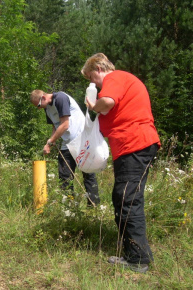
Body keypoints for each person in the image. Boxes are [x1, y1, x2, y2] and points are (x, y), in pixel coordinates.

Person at [81, 53, 161, 273]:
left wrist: (93, 105)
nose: (93, 83)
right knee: (124, 197)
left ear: (98, 68)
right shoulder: (123, 80)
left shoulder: (114, 78)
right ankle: (134, 253)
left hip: (133, 143)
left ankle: (138, 259)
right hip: (134, 145)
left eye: (91, 77)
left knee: (127, 198)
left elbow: (107, 101)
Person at [30, 90, 100, 207]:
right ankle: (69, 208)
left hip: (81, 140)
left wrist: (50, 142)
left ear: (43, 98)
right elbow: (55, 126)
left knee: (88, 174)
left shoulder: (60, 98)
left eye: (38, 105)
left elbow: (65, 124)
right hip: (66, 143)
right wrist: (52, 141)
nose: (38, 108)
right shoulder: (47, 108)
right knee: (64, 177)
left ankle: (93, 206)